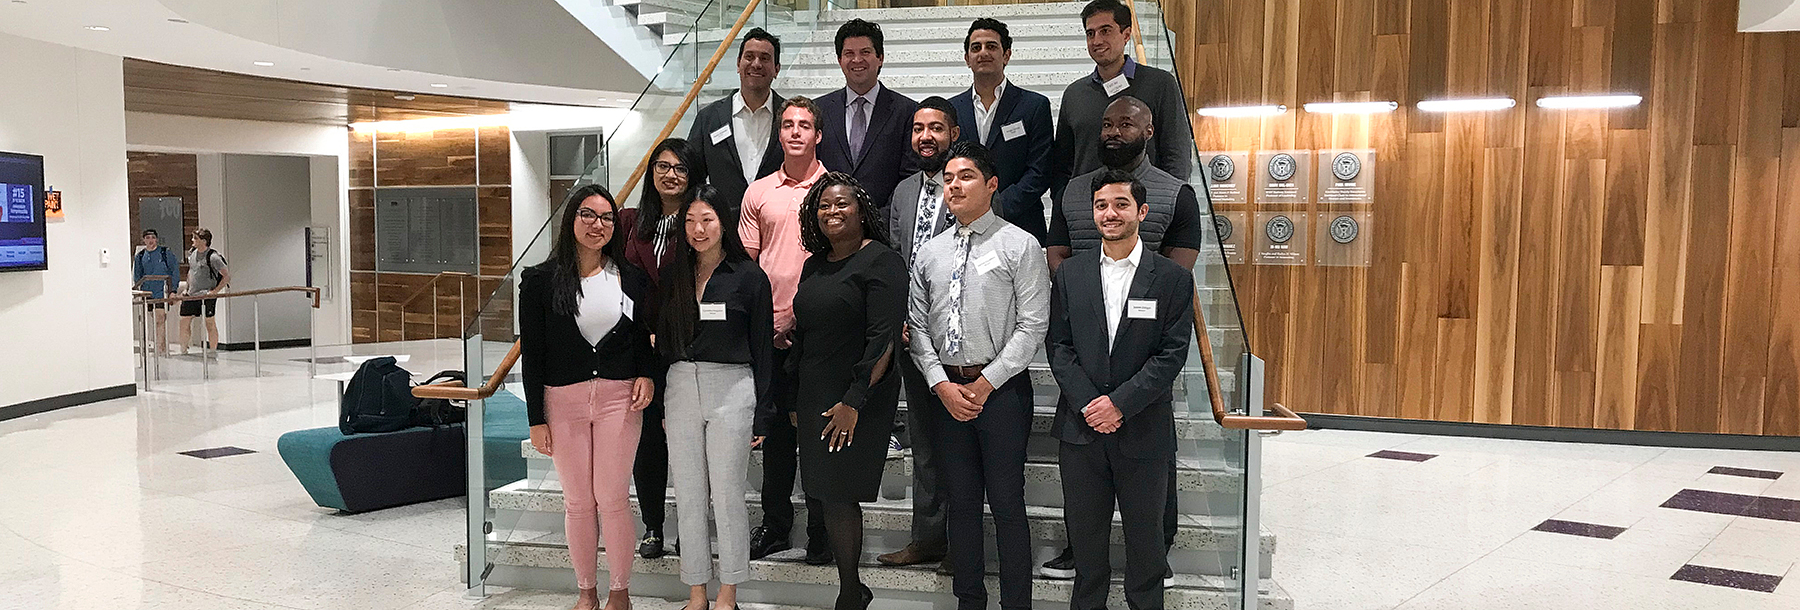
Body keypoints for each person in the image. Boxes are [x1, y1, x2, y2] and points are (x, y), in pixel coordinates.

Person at [1041, 95, 1201, 581]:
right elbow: (1058, 341)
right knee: (1086, 536)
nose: (1110, 213)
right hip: (1083, 405)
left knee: (1146, 535)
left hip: (1142, 409)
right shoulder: (1072, 251)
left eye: (1120, 205)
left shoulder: (1174, 235)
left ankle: (1150, 577)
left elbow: (1172, 347)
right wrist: (1092, 400)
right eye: (1102, 206)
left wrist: (1121, 402)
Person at [907, 142, 1049, 610]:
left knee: (1007, 504)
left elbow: (1033, 325)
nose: (953, 185)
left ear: (991, 185)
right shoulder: (929, 253)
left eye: (965, 176)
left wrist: (985, 383)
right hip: (947, 393)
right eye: (948, 177)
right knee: (961, 505)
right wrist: (941, 384)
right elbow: (918, 326)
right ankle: (969, 600)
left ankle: (1016, 604)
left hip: (1002, 393)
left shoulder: (1020, 244)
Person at [519, 184, 659, 610]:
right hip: (563, 401)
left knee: (613, 497)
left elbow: (643, 339)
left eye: (606, 217)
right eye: (588, 215)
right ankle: (586, 591)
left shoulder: (630, 277)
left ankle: (619, 590)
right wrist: (535, 417)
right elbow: (533, 353)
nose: (597, 225)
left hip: (620, 399)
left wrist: (648, 376)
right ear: (571, 220)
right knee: (578, 501)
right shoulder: (540, 281)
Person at [791, 172, 907, 610]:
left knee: (840, 496)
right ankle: (853, 588)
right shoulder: (814, 264)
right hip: (814, 392)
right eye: (823, 205)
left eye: (842, 204)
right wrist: (794, 397)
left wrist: (853, 402)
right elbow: (803, 333)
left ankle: (848, 593)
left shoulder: (881, 261)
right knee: (823, 492)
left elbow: (884, 341)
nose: (832, 212)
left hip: (858, 396)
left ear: (861, 210)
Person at [654, 186, 773, 610]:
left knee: (726, 494)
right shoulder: (675, 273)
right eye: (689, 221)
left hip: (732, 387)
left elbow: (762, 347)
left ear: (724, 221)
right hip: (681, 384)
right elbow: (662, 339)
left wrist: (764, 412)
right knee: (686, 495)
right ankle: (696, 591)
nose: (698, 229)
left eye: (706, 219)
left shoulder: (749, 276)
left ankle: (729, 592)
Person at [739, 96, 830, 564]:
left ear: (818, 135)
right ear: (779, 135)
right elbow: (747, 269)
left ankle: (822, 532)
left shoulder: (833, 190)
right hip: (769, 333)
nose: (796, 132)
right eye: (788, 125)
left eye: (805, 125)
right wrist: (763, 325)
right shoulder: (758, 192)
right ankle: (775, 525)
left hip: (817, 333)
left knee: (817, 437)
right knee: (775, 437)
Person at [873, 97, 961, 569]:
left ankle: (962, 541)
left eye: (936, 129)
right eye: (919, 129)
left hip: (961, 341)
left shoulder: (970, 188)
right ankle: (929, 539)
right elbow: (895, 261)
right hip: (911, 336)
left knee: (959, 447)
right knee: (925, 445)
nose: (926, 137)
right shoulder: (904, 192)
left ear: (954, 133)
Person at [619, 137, 698, 559]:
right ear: (652, 173)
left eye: (680, 168)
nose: (671, 175)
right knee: (648, 441)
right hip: (641, 347)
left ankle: (690, 528)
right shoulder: (631, 222)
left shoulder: (700, 219)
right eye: (663, 167)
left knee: (686, 440)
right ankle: (652, 525)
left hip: (688, 344)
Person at [1051, 0, 1194, 201]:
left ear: (1126, 35)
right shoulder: (1074, 94)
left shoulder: (1160, 84)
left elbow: (1176, 152)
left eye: (1105, 31)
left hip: (1145, 209)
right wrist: (1063, 202)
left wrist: (1170, 202)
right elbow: (1062, 163)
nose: (1096, 41)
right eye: (1090, 33)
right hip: (1087, 208)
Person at [947, 18, 1055, 243]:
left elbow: (1040, 171)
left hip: (1021, 223)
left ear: (1006, 55)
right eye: (976, 48)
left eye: (991, 46)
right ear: (967, 59)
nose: (983, 52)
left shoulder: (1033, 106)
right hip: (964, 224)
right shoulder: (952, 110)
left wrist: (995, 208)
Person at [816, 19, 917, 214]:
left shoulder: (906, 111)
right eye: (849, 54)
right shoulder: (819, 110)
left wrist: (882, 220)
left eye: (865, 52)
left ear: (880, 58)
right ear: (839, 60)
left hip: (884, 229)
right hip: (830, 227)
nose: (857, 60)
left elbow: (909, 177)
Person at [688, 27, 785, 219]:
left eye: (765, 58)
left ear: (777, 69)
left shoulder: (791, 117)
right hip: (721, 229)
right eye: (749, 57)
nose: (756, 64)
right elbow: (693, 174)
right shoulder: (708, 118)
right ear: (738, 64)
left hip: (777, 228)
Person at [179, 228, 230, 355]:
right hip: (191, 294)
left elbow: (226, 276)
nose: (192, 241)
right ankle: (183, 350)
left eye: (195, 238)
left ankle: (212, 351)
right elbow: (191, 272)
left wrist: (215, 291)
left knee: (209, 322)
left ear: (204, 241)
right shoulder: (192, 254)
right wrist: (186, 288)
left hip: (206, 295)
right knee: (184, 321)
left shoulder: (213, 257)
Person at [132, 228, 179, 355]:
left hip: (161, 291)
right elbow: (137, 275)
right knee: (152, 319)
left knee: (160, 318)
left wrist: (172, 290)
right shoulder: (140, 256)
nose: (150, 241)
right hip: (147, 292)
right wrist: (137, 290)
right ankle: (157, 343)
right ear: (144, 240)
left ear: (156, 239)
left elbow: (174, 271)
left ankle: (160, 347)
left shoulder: (165, 253)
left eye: (152, 238)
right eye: (147, 238)